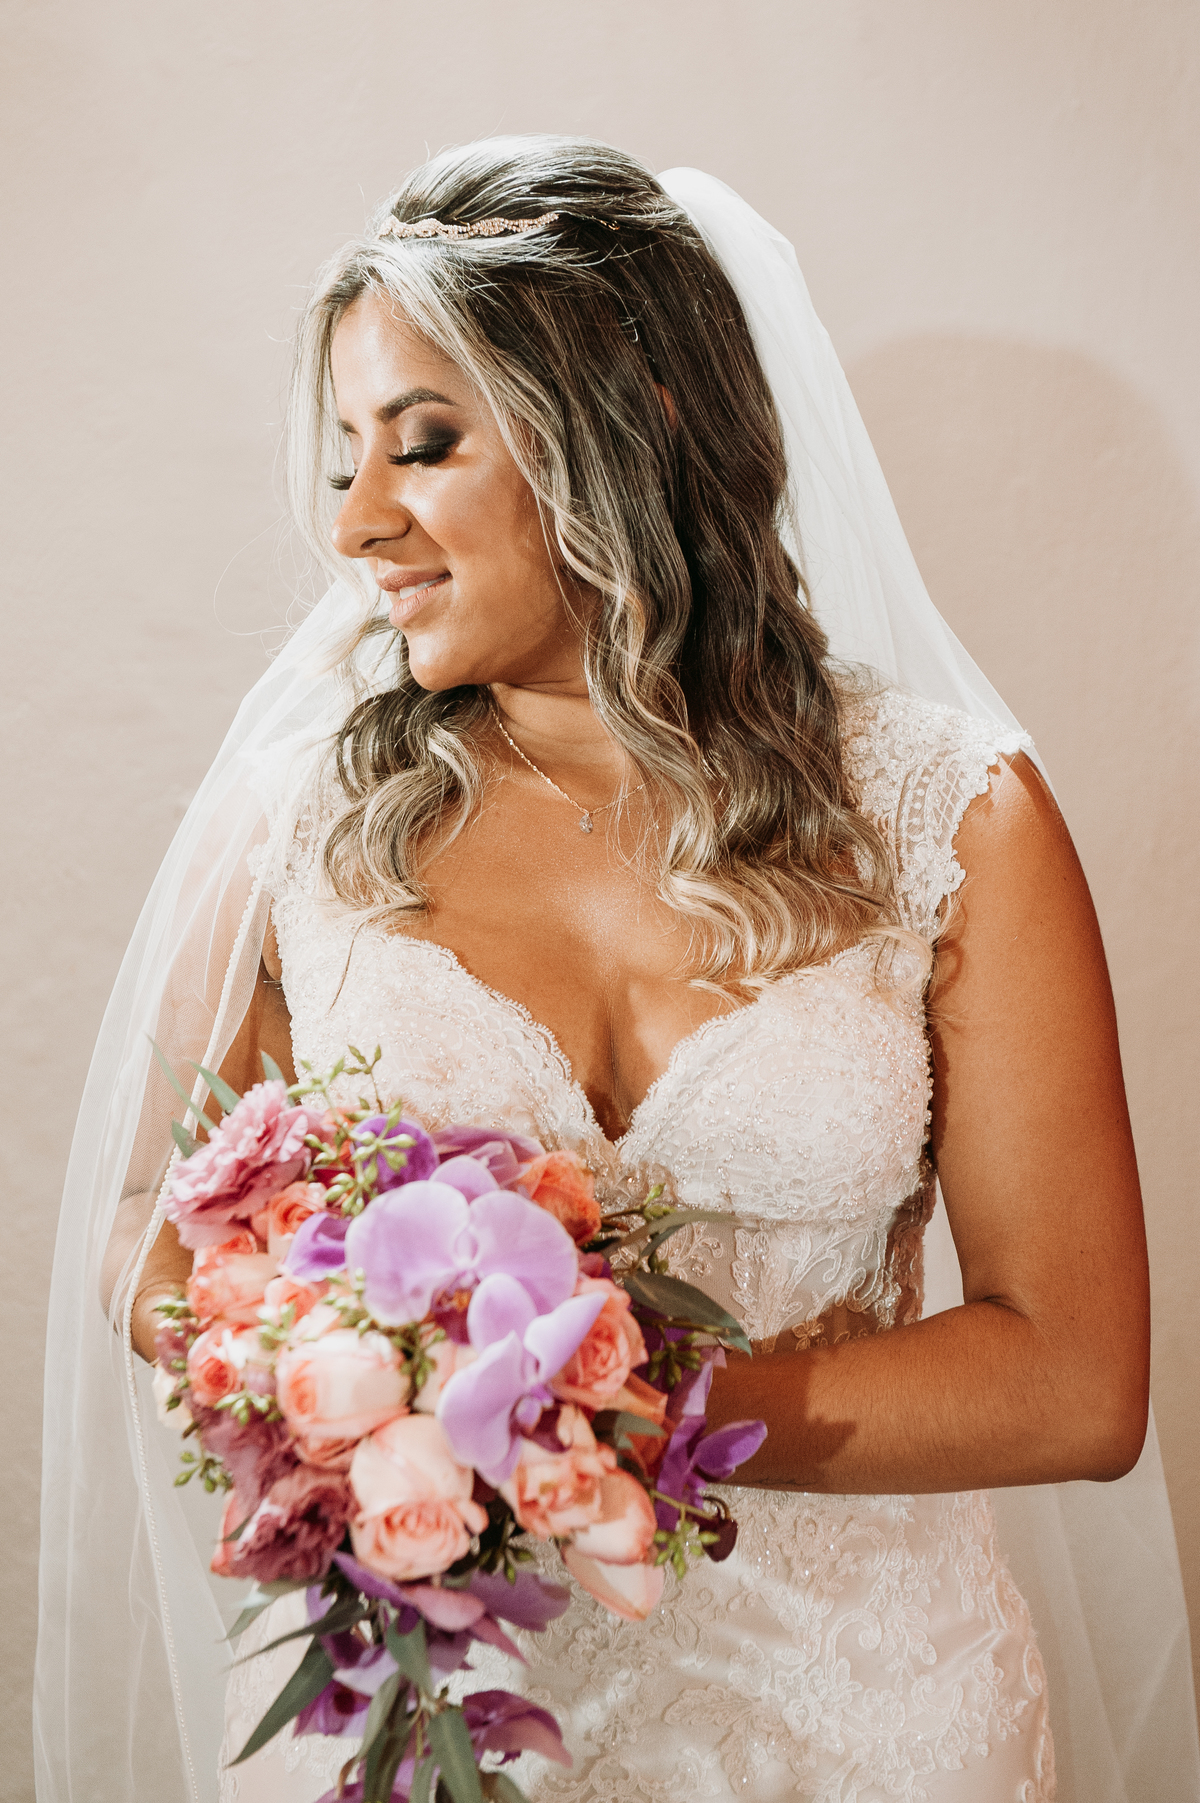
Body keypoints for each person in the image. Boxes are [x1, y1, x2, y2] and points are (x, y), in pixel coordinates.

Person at [35, 138, 1200, 1803]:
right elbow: (149, 1214)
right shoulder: (301, 828)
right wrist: (330, 1374)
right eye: (350, 457)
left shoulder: (952, 820)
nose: (358, 523)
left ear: (629, 424)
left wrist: (604, 1405)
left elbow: (1076, 1384)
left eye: (424, 446)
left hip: (867, 1723)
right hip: (440, 1717)